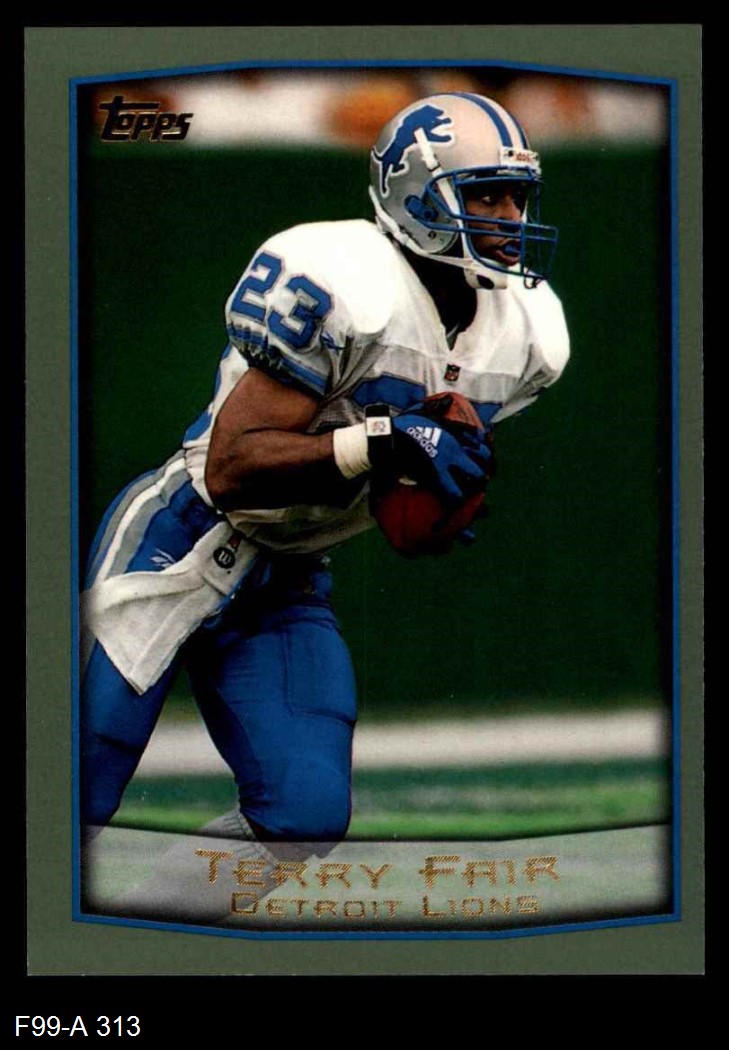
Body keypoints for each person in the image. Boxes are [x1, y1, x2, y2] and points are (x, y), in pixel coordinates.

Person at [80, 92, 570, 902]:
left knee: (301, 817)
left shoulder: (527, 334)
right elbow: (231, 468)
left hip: (288, 578)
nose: (508, 217)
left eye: (516, 196)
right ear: (414, 195)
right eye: (484, 194)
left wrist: (427, 487)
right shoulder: (344, 280)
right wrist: (384, 443)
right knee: (73, 787)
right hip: (179, 539)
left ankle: (140, 940)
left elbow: (422, 461)